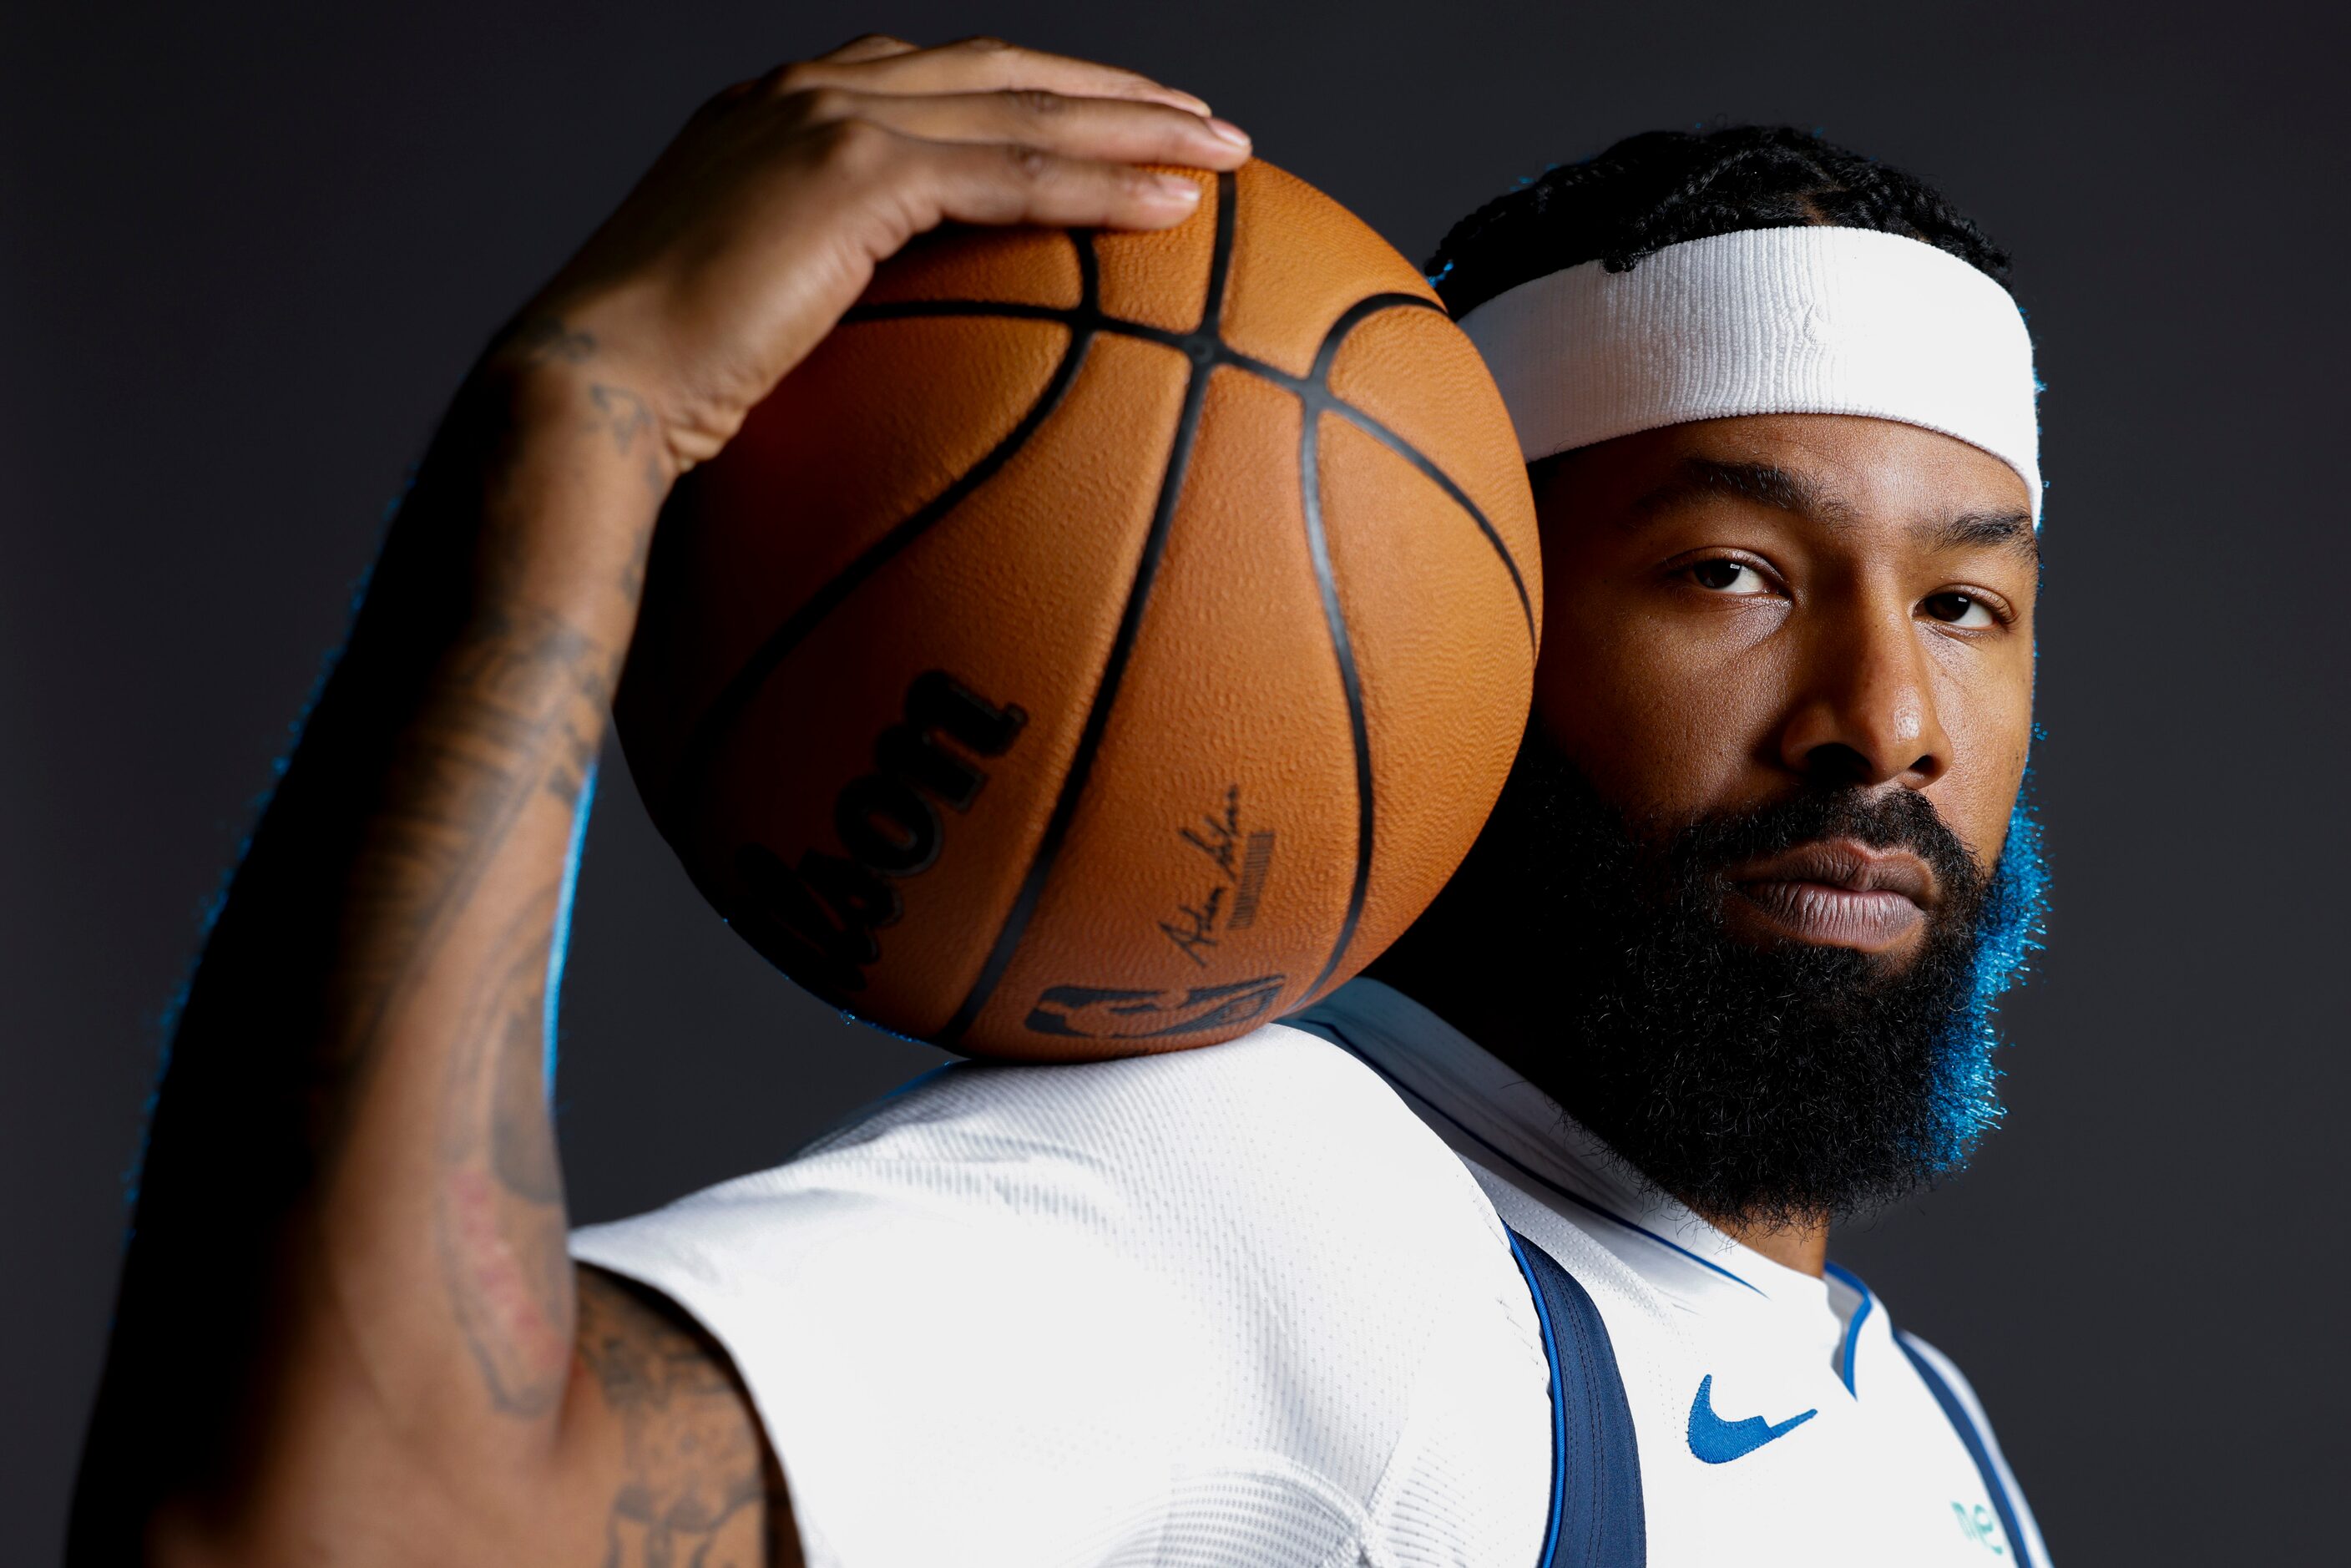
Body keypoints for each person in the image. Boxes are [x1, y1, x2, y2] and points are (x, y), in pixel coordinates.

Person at [68, 33, 2054, 1568]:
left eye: (1966, 605)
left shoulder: (1928, 1437)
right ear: (1462, 628)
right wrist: (576, 427)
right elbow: (332, 1527)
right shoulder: (1278, 1207)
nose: (1884, 719)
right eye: (1731, 574)